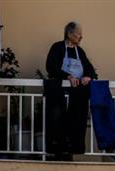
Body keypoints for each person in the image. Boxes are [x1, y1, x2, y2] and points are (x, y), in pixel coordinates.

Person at [44, 22, 97, 159]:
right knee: (57, 118)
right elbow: (51, 66)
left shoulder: (80, 51)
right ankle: (57, 146)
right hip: (59, 92)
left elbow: (89, 68)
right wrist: (67, 77)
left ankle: (74, 146)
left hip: (76, 94)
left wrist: (88, 76)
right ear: (69, 34)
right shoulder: (57, 47)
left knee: (76, 118)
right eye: (78, 34)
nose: (81, 37)